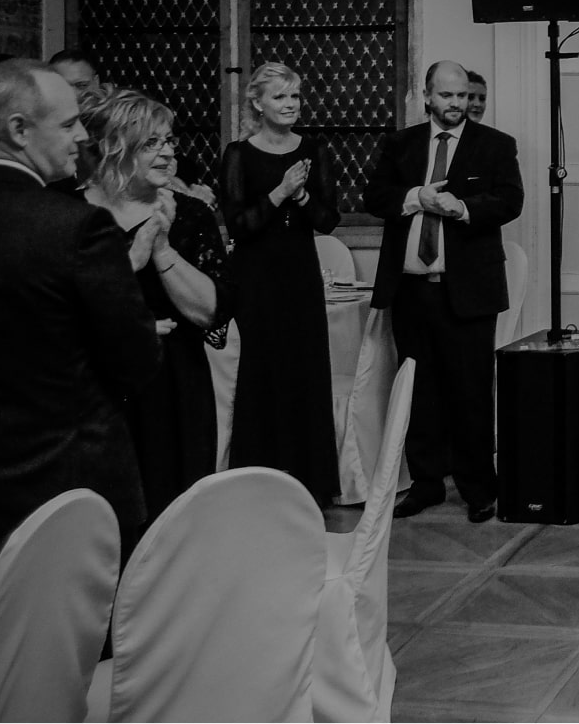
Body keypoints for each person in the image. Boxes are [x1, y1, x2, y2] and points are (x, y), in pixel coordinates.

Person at [0, 60, 160, 594]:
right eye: (69, 123)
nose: (82, 136)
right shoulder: (73, 227)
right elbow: (137, 359)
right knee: (79, 662)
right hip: (69, 492)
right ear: (18, 130)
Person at [363, 60, 524, 522]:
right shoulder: (401, 144)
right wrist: (418, 198)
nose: (456, 104)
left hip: (468, 292)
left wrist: (462, 209)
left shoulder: (494, 145)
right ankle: (427, 484)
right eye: (447, 96)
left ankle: (479, 490)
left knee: (470, 392)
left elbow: (510, 200)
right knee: (420, 391)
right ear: (427, 95)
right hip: (412, 290)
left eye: (463, 96)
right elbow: (375, 197)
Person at [77, 87, 235, 521]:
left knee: (175, 513)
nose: (168, 154)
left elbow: (211, 312)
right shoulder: (73, 214)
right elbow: (60, 306)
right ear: (114, 148)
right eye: (152, 143)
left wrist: (163, 248)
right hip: (97, 386)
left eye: (170, 142)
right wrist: (133, 258)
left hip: (174, 383)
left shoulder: (190, 214)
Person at [220, 62, 340, 508]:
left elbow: (329, 220)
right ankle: (257, 477)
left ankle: (312, 479)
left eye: (295, 97)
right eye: (280, 97)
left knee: (305, 370)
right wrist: (279, 192)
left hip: (299, 274)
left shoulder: (315, 149)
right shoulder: (238, 153)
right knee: (260, 371)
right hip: (255, 276)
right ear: (257, 103)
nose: (290, 105)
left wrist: (303, 195)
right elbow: (238, 225)